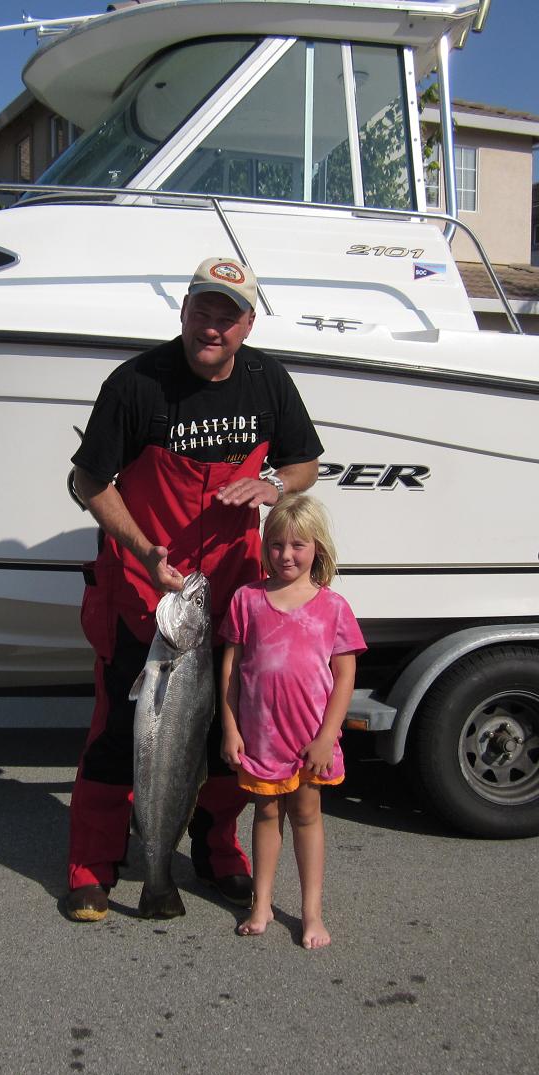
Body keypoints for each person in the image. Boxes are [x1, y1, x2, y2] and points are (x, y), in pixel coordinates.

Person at [65, 256, 323, 922]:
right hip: (142, 591)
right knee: (120, 735)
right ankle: (92, 864)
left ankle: (217, 850)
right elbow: (87, 483)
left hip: (232, 602)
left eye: (228, 316)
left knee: (225, 740)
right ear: (183, 312)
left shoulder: (268, 380)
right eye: (203, 311)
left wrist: (276, 486)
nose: (214, 327)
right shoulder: (136, 383)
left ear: (248, 323)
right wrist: (145, 551)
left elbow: (304, 464)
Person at [218, 494, 364, 948]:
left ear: (317, 547)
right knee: (265, 813)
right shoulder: (247, 600)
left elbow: (344, 678)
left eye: (298, 545)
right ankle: (260, 904)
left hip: (309, 739)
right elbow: (230, 670)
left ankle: (311, 912)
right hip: (261, 737)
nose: (286, 555)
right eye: (277, 544)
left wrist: (326, 738)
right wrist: (230, 726)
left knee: (306, 815)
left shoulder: (333, 607)